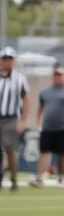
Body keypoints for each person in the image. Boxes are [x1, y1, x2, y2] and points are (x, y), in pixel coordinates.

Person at [30, 65, 64, 188]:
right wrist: (38, 123)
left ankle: (61, 178)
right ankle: (40, 177)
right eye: (56, 75)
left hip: (62, 127)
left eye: (60, 75)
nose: (58, 78)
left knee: (62, 153)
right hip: (47, 127)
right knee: (44, 152)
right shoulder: (45, 92)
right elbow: (40, 108)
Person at [0, 47, 31, 190]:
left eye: (9, 59)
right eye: (4, 59)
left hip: (11, 118)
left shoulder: (20, 78)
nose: (7, 62)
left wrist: (23, 120)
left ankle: (13, 178)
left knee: (10, 149)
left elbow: (26, 100)